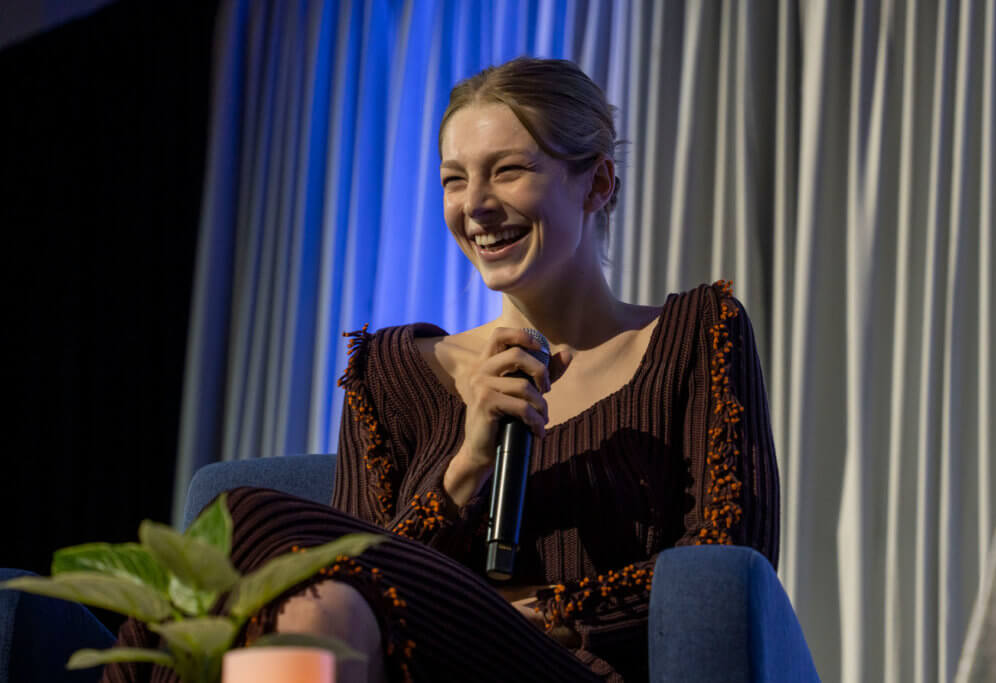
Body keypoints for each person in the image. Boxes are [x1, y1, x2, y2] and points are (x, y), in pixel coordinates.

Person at [103, 57, 779, 683]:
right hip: (410, 663)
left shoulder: (692, 332)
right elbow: (352, 577)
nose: (474, 205)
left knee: (241, 514)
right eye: (455, 178)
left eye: (508, 170)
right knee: (306, 597)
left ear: (597, 182)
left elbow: (723, 562)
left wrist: (537, 611)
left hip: (571, 668)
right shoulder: (393, 368)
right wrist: (466, 464)